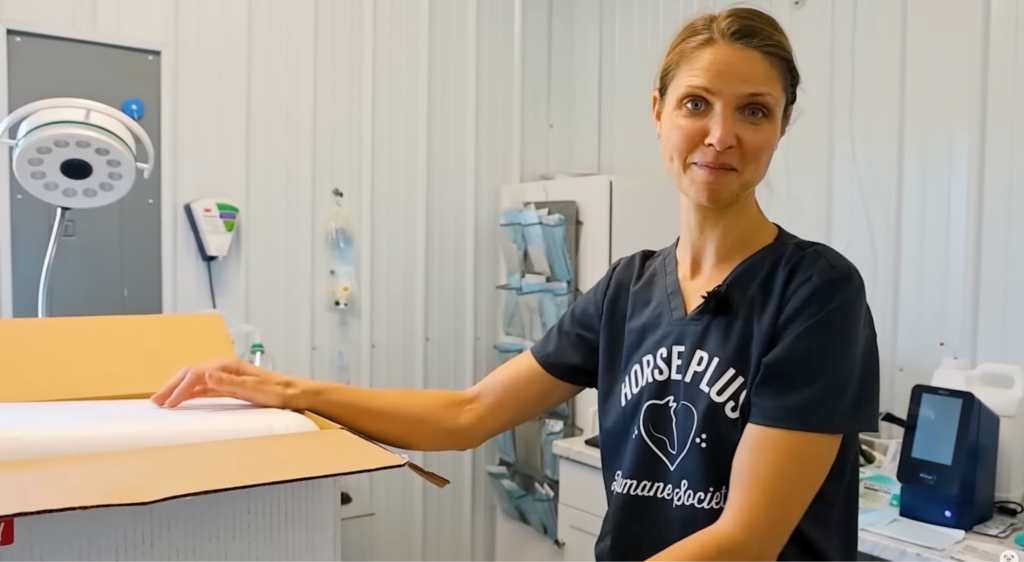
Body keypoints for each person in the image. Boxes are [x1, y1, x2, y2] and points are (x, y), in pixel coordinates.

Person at [153, 6, 879, 562]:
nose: (720, 135)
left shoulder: (816, 293)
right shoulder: (629, 290)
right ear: (658, 110)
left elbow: (749, 539)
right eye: (696, 103)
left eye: (753, 110)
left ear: (781, 127)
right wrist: (290, 390)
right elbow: (468, 414)